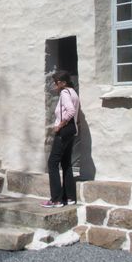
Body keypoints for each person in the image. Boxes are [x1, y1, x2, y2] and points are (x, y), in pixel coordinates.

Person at [41, 70, 80, 208]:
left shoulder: (64, 93)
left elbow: (70, 111)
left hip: (64, 130)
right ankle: (69, 197)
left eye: (56, 82)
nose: (55, 85)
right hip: (72, 131)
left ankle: (56, 199)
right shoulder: (73, 92)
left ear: (63, 83)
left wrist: (60, 126)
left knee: (52, 163)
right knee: (66, 163)